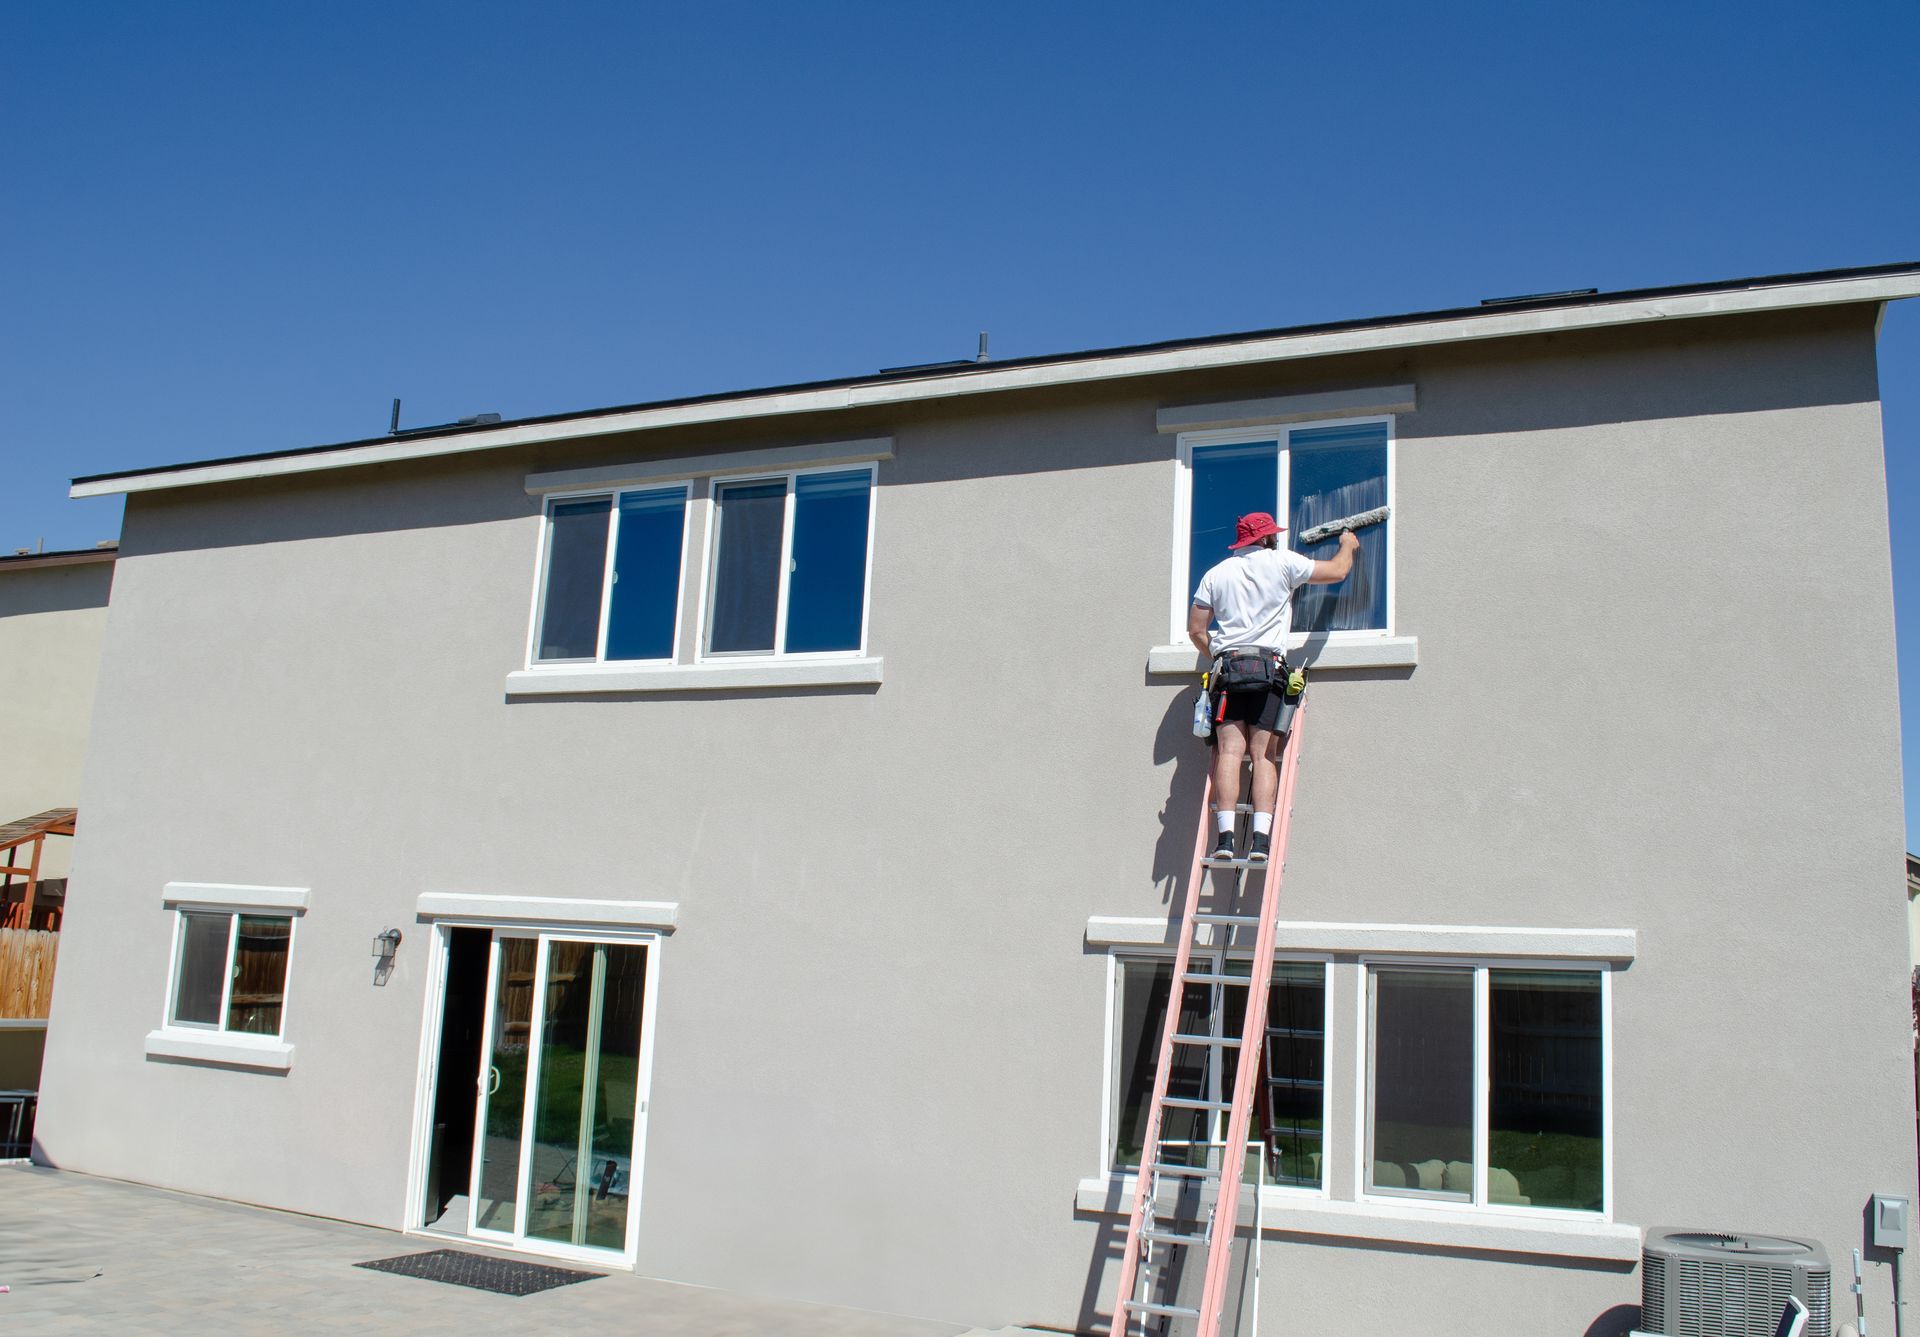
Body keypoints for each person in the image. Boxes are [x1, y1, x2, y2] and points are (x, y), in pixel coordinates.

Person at [1187, 511, 1358, 862]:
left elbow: (1196, 629)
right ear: (1265, 538)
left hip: (1230, 672)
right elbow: (1338, 571)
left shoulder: (1215, 575)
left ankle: (1225, 839)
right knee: (1265, 756)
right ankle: (1261, 842)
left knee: (1230, 754)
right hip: (1268, 671)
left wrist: (1216, 655)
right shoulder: (1282, 562)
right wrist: (1348, 544)